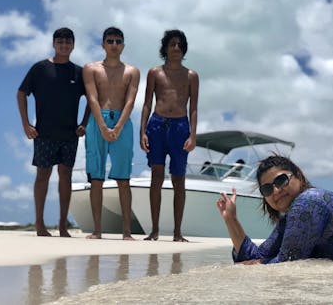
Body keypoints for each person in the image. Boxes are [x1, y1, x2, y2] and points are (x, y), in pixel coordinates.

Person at [17, 27, 90, 237]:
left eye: (68, 42)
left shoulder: (78, 72)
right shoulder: (40, 68)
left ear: (73, 45)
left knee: (65, 176)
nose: (64, 45)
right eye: (60, 41)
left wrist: (84, 123)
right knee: (43, 176)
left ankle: (63, 226)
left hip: (69, 134)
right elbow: (21, 93)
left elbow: (92, 99)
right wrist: (25, 124)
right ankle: (39, 224)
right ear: (54, 44)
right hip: (44, 133)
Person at [140, 29, 199, 242]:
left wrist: (193, 135)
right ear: (165, 48)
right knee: (156, 177)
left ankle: (177, 232)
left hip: (180, 127)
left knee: (178, 180)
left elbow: (193, 107)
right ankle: (154, 231)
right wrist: (142, 132)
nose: (176, 48)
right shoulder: (155, 73)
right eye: (172, 44)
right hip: (156, 125)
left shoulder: (191, 75)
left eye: (179, 45)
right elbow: (147, 103)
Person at [83, 27, 140, 240]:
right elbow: (92, 98)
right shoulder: (91, 68)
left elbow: (130, 101)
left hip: (123, 122)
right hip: (97, 120)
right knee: (96, 178)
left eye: (118, 41)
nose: (114, 44)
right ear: (103, 44)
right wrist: (102, 126)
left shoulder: (132, 71)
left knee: (123, 178)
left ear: (123, 45)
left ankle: (127, 232)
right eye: (110, 41)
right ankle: (97, 231)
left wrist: (117, 127)